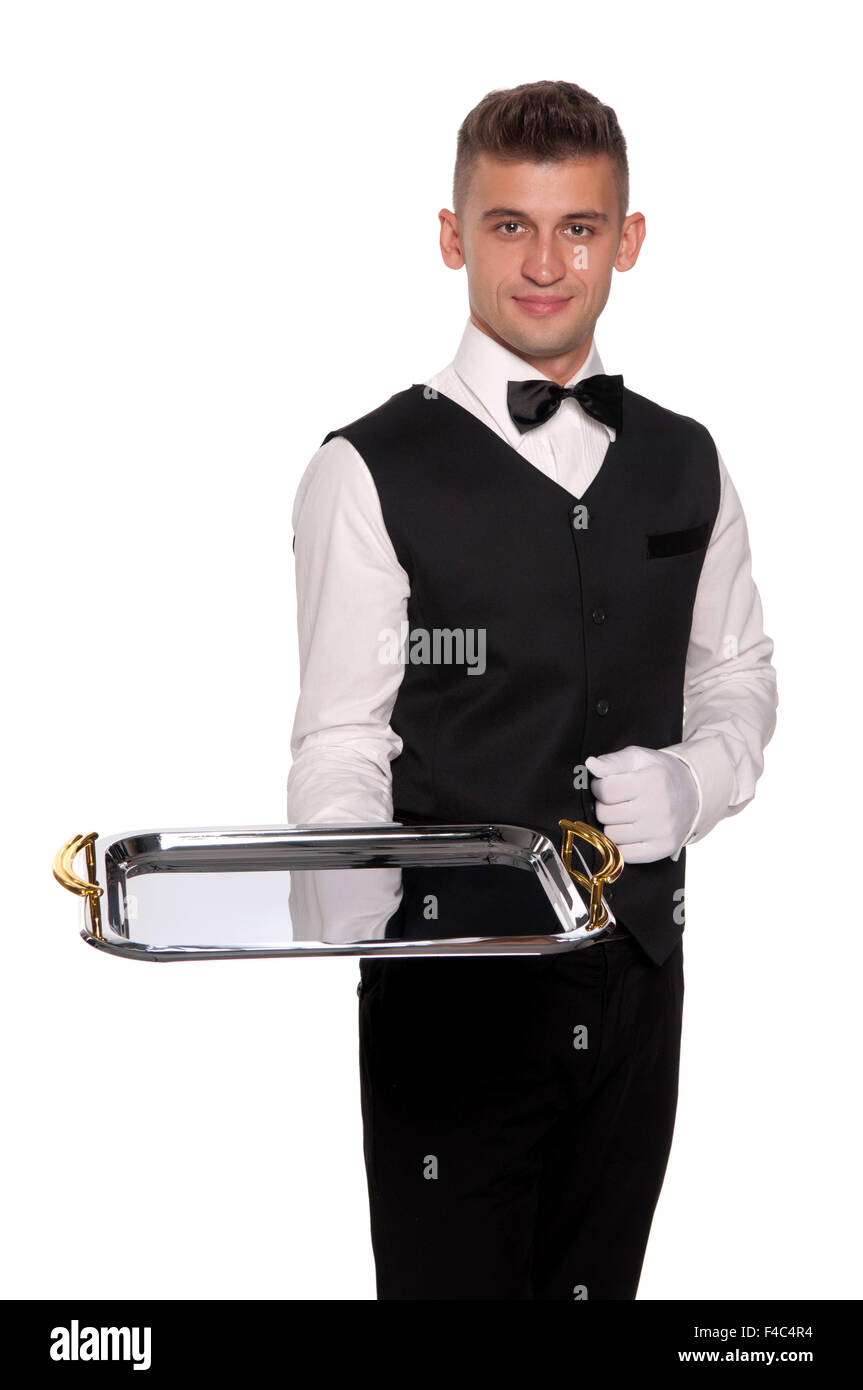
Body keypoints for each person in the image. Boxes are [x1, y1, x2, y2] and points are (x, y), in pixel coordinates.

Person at [287, 79, 778, 1300]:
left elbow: (738, 675)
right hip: (451, 1008)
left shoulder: (688, 460)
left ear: (627, 239)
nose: (545, 263)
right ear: (453, 237)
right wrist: (343, 871)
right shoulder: (363, 470)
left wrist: (698, 778)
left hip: (635, 991)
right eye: (509, 224)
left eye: (577, 227)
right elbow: (342, 735)